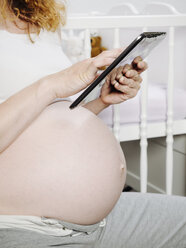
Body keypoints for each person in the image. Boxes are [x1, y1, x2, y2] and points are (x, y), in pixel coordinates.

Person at [0, 1, 185, 247]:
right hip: (24, 225)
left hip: (103, 221)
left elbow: (51, 120)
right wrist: (51, 84)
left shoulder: (41, 19)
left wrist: (102, 100)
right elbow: (48, 90)